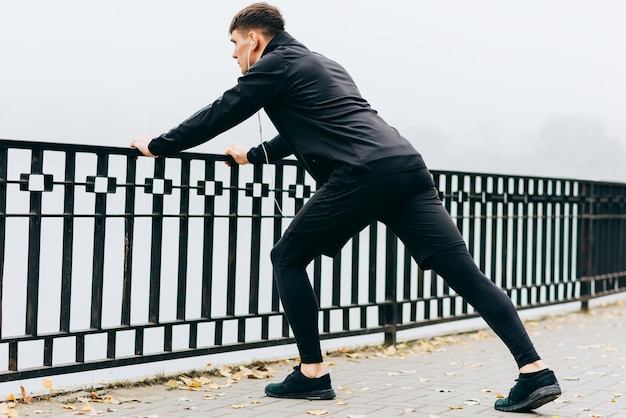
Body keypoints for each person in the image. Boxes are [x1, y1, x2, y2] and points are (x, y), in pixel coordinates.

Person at [130, 3, 561, 412]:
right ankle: (534, 372)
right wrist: (257, 155)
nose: (233, 54)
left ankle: (312, 373)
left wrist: (159, 146)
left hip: (362, 175)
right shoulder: (322, 63)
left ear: (255, 40)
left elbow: (223, 111)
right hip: (406, 167)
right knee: (465, 273)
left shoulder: (274, 65)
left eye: (235, 45)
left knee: (287, 257)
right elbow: (314, 125)